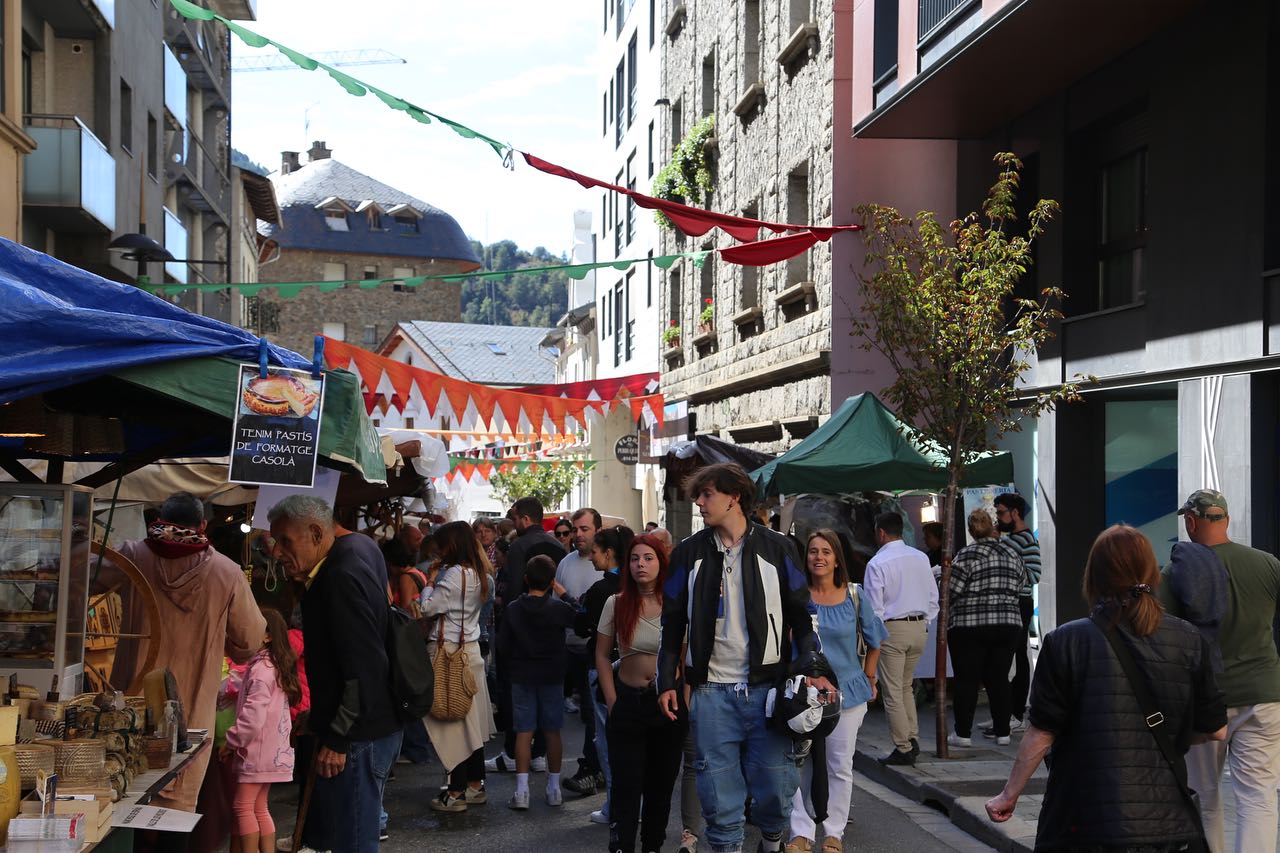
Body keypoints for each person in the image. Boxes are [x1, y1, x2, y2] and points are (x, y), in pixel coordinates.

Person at [985, 525, 1228, 851]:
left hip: (1082, 822)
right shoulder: (1188, 639)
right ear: (1151, 572)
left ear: (1094, 577)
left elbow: (1041, 732)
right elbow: (1217, 731)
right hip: (1165, 824)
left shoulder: (1065, 641)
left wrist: (1009, 794)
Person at [657, 463, 831, 853]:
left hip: (768, 692)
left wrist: (814, 670)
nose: (699, 502)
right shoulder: (687, 554)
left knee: (775, 791)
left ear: (734, 496)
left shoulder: (780, 548)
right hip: (709, 694)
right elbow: (670, 624)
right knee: (719, 802)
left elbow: (804, 617)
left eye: (707, 494)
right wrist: (666, 681)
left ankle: (771, 841)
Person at [267, 495, 402, 853]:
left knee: (354, 841)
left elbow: (364, 667)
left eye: (285, 541)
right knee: (350, 835)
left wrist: (339, 737)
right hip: (366, 726)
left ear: (315, 533)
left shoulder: (340, 575)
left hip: (361, 734)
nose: (278, 552)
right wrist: (323, 715)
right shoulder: (356, 550)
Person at [116, 492, 266, 813]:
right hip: (191, 714)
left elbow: (80, 576)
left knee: (124, 800)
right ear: (203, 524)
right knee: (176, 809)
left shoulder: (131, 555)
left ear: (158, 518)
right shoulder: (227, 573)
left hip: (129, 707)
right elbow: (251, 640)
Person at [1161, 489, 1280, 853]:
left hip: (1204, 701)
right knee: (1259, 795)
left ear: (1192, 522)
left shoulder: (1177, 571)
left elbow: (1164, 634)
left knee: (1204, 793)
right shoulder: (1268, 564)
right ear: (1226, 520)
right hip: (1264, 695)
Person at [787, 530, 887, 853]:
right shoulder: (797, 598)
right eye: (813, 551)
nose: (819, 557)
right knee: (798, 762)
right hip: (803, 696)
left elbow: (875, 640)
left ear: (836, 559)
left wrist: (870, 677)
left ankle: (834, 833)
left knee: (839, 764)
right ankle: (801, 832)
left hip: (847, 694)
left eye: (826, 552)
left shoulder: (854, 596)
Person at [596, 535, 688, 853]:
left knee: (660, 786)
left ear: (661, 563)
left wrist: (685, 698)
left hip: (669, 705)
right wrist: (612, 701)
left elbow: (687, 657)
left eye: (648, 558)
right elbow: (601, 656)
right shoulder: (617, 603)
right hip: (628, 702)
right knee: (626, 783)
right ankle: (623, 845)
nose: (640, 565)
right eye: (635, 559)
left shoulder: (676, 604)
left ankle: (652, 846)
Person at [421, 521, 497, 813]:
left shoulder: (452, 574)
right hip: (471, 652)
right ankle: (475, 785)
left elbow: (428, 608)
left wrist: (429, 583)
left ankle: (454, 793)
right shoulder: (482, 573)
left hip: (448, 654)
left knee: (452, 726)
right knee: (472, 725)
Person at [489, 497, 567, 773]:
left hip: (522, 635)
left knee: (517, 705)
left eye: (515, 516)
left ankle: (513, 754)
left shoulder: (519, 546)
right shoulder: (558, 546)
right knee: (550, 718)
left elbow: (512, 591)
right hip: (551, 635)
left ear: (524, 518)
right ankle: (539, 755)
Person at [496, 554, 577, 810]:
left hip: (521, 675)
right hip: (552, 675)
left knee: (524, 732)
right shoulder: (559, 609)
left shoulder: (513, 609)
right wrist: (565, 596)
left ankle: (521, 791)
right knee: (552, 731)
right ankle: (553, 788)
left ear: (525, 579)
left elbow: (503, 645)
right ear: (552, 581)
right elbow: (582, 620)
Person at [946, 509, 1028, 747]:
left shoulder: (966, 555)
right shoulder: (1012, 553)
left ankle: (963, 734)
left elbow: (953, 590)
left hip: (969, 625)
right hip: (1008, 623)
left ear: (971, 531)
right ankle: (1003, 732)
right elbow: (1022, 581)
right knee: (999, 678)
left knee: (967, 679)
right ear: (992, 527)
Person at [221, 609, 300, 853]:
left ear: (267, 636)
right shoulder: (273, 666)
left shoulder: (260, 670)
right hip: (272, 752)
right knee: (259, 807)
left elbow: (253, 718)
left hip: (256, 752)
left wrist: (232, 741)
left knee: (243, 807)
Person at [863, 511, 937, 766]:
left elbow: (874, 609)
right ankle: (912, 737)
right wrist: (925, 621)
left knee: (893, 689)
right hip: (919, 627)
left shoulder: (877, 563)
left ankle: (903, 745)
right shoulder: (920, 558)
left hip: (893, 628)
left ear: (881, 533)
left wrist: (874, 638)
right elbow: (932, 597)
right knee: (905, 685)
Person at [572, 525, 633, 826]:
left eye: (595, 551)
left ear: (608, 553)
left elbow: (584, 626)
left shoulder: (601, 591)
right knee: (632, 741)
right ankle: (631, 804)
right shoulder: (636, 584)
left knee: (608, 740)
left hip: (606, 668)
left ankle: (617, 805)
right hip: (636, 669)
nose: (592, 556)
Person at [556, 508, 605, 797]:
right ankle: (595, 769)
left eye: (584, 529)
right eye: (575, 529)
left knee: (591, 713)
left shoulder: (606, 565)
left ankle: (593, 770)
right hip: (569, 649)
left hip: (595, 651)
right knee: (585, 713)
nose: (578, 535)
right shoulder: (566, 562)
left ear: (597, 529)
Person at [990, 492, 1041, 738]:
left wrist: (1007, 574)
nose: (998, 518)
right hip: (1009, 603)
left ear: (1015, 513)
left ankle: (1017, 714)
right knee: (1004, 657)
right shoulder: (1010, 539)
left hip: (1019, 602)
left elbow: (1034, 574)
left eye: (1001, 513)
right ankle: (1006, 712)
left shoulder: (1026, 540)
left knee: (1018, 656)